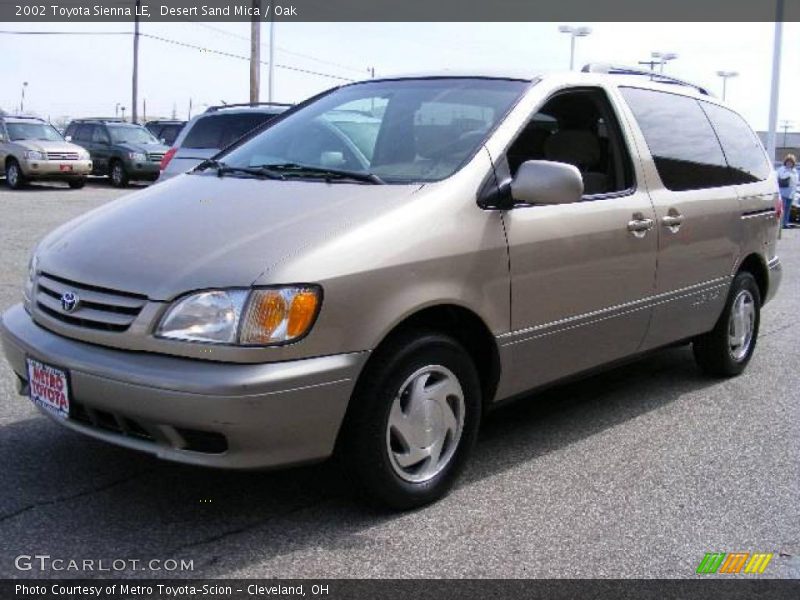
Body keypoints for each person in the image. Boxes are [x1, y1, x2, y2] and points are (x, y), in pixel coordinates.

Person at [777, 154, 798, 228]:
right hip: (783, 192)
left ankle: (785, 223)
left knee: (788, 209)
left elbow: (795, 182)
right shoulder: (782, 169)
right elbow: (782, 177)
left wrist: (794, 192)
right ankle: (779, 223)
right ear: (785, 162)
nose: (789, 163)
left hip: (790, 193)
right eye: (788, 162)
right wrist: (788, 172)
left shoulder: (794, 171)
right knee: (782, 209)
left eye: (791, 162)